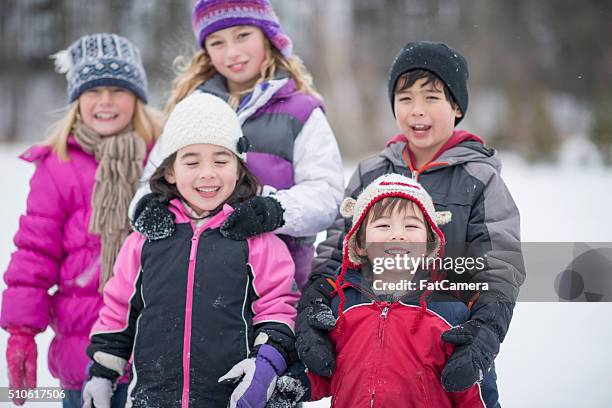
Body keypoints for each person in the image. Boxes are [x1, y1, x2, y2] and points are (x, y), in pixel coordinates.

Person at [295, 41, 524, 407]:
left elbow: (500, 264)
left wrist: (484, 331)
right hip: (368, 329)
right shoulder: (372, 171)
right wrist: (312, 309)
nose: (417, 110)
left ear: (456, 106)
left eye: (431, 97)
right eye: (405, 98)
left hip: (442, 334)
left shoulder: (479, 177)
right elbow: (336, 250)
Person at [82, 92, 299, 408]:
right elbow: (119, 310)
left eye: (221, 160)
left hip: (230, 398)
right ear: (170, 171)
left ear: (238, 169)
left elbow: (278, 308)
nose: (207, 173)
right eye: (192, 161)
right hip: (154, 398)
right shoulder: (145, 240)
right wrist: (103, 372)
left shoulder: (258, 242)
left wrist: (266, 364)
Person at [130, 0, 344, 290]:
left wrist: (275, 210)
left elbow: (327, 195)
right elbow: (153, 178)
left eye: (243, 35)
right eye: (217, 42)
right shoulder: (192, 108)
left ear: (267, 36)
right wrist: (147, 206)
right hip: (196, 283)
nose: (232, 52)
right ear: (206, 52)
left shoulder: (301, 111)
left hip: (277, 284)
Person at [0, 33, 162, 407]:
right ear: (77, 99)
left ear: (137, 98)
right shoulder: (58, 166)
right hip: (83, 349)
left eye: (117, 90)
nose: (105, 102)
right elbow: (34, 253)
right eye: (93, 91)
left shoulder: (162, 158)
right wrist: (21, 332)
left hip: (153, 348)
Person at [269, 174, 487, 407]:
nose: (398, 234)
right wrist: (297, 384)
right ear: (360, 244)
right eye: (383, 225)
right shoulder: (342, 304)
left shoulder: (450, 312)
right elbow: (330, 370)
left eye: (411, 225)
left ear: (428, 244)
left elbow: (472, 394)